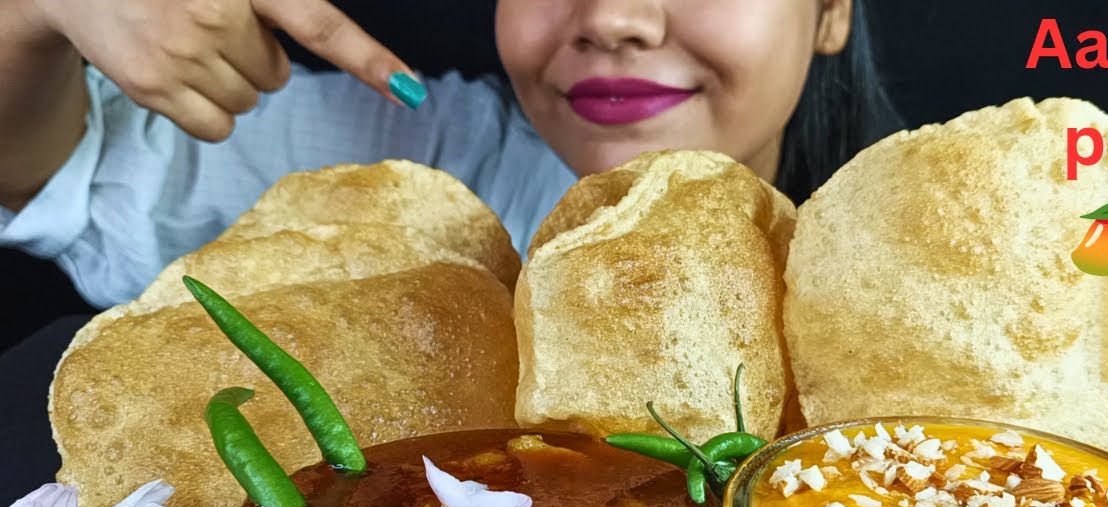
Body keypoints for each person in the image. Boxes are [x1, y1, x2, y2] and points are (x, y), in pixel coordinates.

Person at [0, 0, 899, 308]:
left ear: (831, 11)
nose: (612, 19)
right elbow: (63, 172)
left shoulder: (937, 265)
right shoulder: (423, 164)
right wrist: (37, 18)